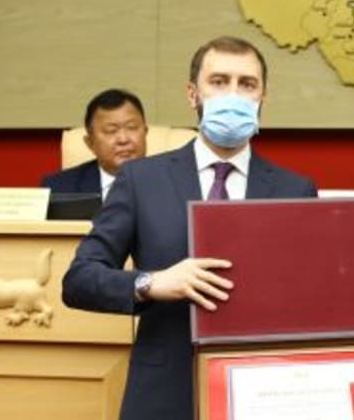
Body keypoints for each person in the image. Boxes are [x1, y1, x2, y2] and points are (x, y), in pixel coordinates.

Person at [61, 36, 317, 420]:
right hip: (165, 391)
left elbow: (311, 296)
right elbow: (79, 280)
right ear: (192, 93)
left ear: (263, 96)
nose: (233, 95)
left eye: (247, 84)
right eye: (219, 81)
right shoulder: (141, 179)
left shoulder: (295, 189)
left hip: (265, 389)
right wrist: (151, 283)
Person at [41, 88, 148, 200]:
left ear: (145, 132)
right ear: (90, 143)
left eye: (132, 127)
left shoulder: (162, 179)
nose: (123, 139)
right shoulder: (58, 188)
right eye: (111, 131)